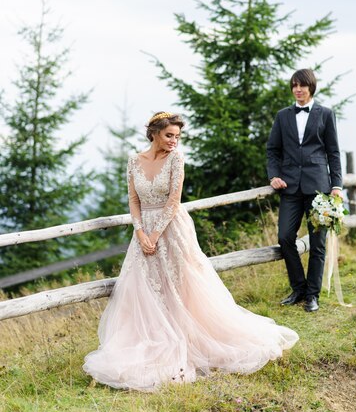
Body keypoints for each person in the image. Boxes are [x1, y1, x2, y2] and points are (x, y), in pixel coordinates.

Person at [83, 111, 298, 391]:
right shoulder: (134, 161)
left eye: (177, 136)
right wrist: (140, 232)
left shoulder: (176, 159)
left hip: (171, 229)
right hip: (143, 232)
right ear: (154, 134)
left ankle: (192, 339)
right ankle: (151, 340)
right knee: (146, 287)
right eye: (169, 135)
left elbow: (174, 200)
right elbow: (133, 199)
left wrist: (155, 234)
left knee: (181, 284)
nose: (174, 141)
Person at [266, 69, 343, 313]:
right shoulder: (282, 116)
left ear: (311, 87)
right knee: (285, 237)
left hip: (319, 188)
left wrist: (337, 185)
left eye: (302, 85)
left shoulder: (326, 114)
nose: (298, 89)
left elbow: (333, 152)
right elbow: (273, 150)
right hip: (290, 186)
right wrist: (274, 175)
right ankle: (299, 288)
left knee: (318, 243)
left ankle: (312, 295)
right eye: (294, 85)